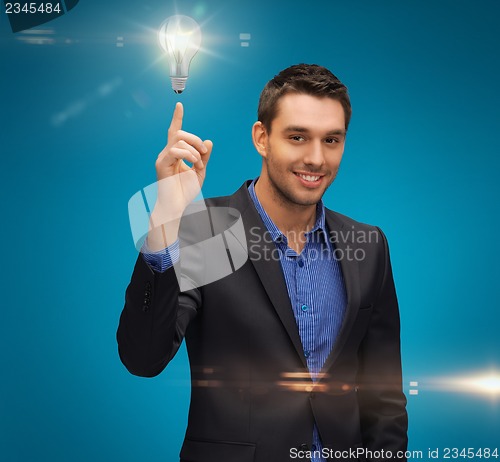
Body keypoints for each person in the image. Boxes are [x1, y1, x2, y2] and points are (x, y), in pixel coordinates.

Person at [117, 64, 408, 462]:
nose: (316, 158)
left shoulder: (369, 244)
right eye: (297, 137)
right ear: (262, 138)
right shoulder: (208, 232)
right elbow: (143, 357)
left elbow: (384, 398)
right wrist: (165, 225)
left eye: (332, 140)